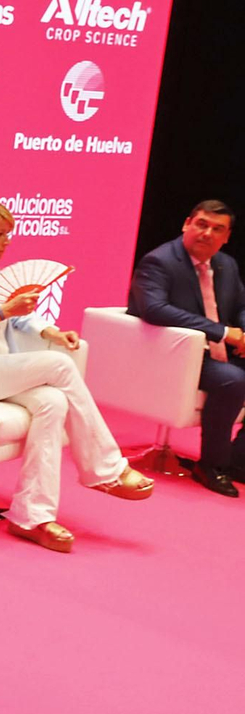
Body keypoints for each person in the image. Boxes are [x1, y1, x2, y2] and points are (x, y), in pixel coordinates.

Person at [0, 196, 152, 553]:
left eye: (8, 233)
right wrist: (1, 312)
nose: (6, 241)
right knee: (58, 365)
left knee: (53, 402)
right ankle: (105, 469)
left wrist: (49, 332)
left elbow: (19, 318)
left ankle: (32, 516)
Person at [128, 200, 245, 496]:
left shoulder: (226, 265)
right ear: (187, 224)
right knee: (232, 380)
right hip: (176, 354)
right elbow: (155, 309)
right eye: (201, 224)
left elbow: (241, 307)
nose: (207, 233)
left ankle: (239, 461)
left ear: (227, 236)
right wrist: (222, 333)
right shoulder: (159, 261)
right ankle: (211, 466)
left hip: (215, 352)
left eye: (217, 229)